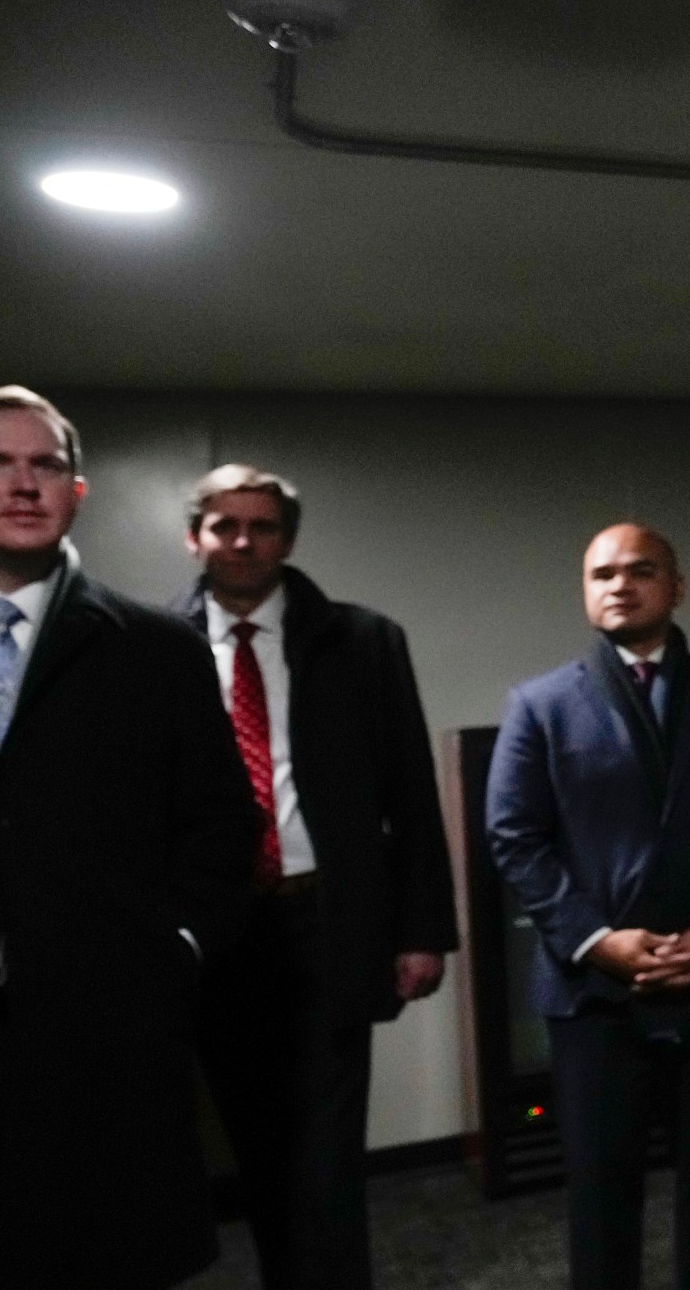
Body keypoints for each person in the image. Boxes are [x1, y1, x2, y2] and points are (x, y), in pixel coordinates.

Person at [0, 386, 260, 1289]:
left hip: (108, 1036)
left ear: (77, 490)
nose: (24, 484)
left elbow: (222, 823)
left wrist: (171, 948)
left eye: (46, 465)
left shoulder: (157, 648)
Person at [484, 523, 690, 1290]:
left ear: (677, 587)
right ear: (586, 592)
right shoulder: (541, 704)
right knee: (600, 1195)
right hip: (594, 993)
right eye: (602, 573)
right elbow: (515, 838)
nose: (620, 584)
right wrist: (596, 940)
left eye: (641, 570)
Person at [173, 463, 459, 1290]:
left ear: (287, 540)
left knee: (329, 1154)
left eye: (262, 527)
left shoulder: (362, 639)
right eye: (224, 525)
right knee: (255, 1147)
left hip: (329, 923)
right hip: (222, 934)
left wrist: (422, 931)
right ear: (194, 537)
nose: (242, 541)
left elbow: (409, 788)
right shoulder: (155, 646)